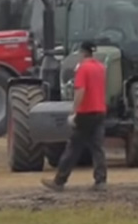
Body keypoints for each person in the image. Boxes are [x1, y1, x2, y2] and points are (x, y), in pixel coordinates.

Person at [42, 41, 107, 192]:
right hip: (100, 111)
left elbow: (80, 91)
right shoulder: (101, 67)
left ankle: (59, 181)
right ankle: (101, 181)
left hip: (86, 112)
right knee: (98, 148)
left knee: (73, 147)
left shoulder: (83, 68)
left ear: (82, 52)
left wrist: (74, 111)